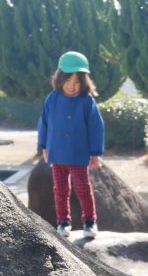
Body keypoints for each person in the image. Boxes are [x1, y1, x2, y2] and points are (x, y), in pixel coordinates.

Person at [37, 50, 105, 239]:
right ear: (60, 78)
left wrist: (95, 153)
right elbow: (43, 122)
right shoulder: (52, 98)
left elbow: (96, 127)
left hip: (78, 153)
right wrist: (43, 146)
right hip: (57, 153)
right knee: (60, 190)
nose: (72, 86)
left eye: (76, 82)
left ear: (84, 82)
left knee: (83, 188)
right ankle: (63, 222)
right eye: (68, 81)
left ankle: (90, 221)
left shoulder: (86, 101)